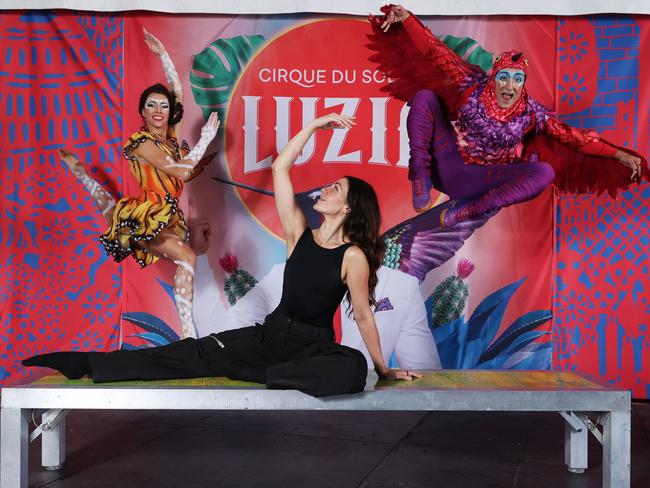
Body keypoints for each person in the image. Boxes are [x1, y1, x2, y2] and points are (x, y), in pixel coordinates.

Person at [23, 113, 421, 397]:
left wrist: (382, 369)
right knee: (193, 352)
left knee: (351, 366)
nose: (326, 190)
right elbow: (282, 167)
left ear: (349, 208)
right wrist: (316, 125)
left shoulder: (352, 256)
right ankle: (89, 364)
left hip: (311, 346)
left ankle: (270, 375)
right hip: (269, 336)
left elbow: (364, 314)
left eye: (336, 189)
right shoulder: (299, 232)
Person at [370, 5, 648, 223]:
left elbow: (578, 139)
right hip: (446, 164)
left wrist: (620, 155)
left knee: (544, 172)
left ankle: (468, 212)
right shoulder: (470, 85)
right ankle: (419, 177)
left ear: (523, 83)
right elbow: (435, 51)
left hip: (482, 182)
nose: (510, 85)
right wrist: (407, 19)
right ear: (494, 78)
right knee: (424, 97)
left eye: (517, 79)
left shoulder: (532, 114)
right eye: (504, 77)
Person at [57, 28, 220, 339]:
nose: (159, 111)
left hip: (168, 216)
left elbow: (178, 91)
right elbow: (181, 172)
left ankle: (84, 176)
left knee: (110, 211)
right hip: (146, 216)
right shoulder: (141, 144)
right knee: (185, 256)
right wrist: (204, 140)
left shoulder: (171, 137)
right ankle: (188, 335)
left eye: (163, 106)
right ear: (142, 113)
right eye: (151, 106)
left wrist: (163, 56)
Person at [189, 220, 441, 370]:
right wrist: (199, 259)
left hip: (363, 419)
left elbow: (425, 376)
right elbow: (222, 333)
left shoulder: (400, 286)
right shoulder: (281, 276)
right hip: (288, 417)